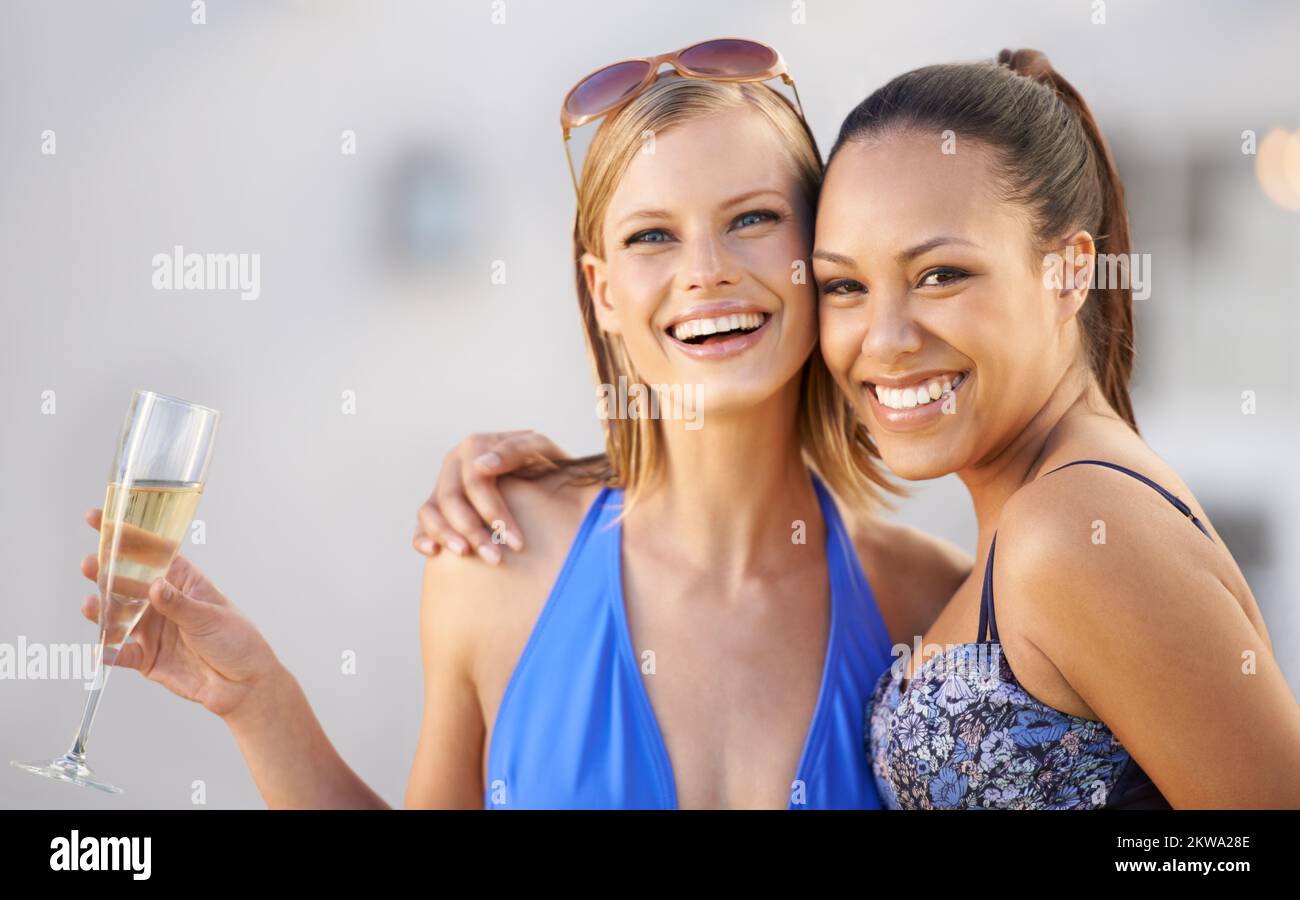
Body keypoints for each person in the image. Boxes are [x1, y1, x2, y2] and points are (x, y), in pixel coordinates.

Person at [79, 40, 969, 809]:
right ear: (603, 291)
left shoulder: (930, 601)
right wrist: (259, 703)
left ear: (815, 255)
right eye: (652, 236)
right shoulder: (496, 561)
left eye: (752, 219)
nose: (706, 270)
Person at [415, 49, 1300, 808]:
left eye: (943, 274)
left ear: (1070, 272)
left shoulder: (1068, 530)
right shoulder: (1026, 528)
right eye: (847, 286)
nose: (889, 340)